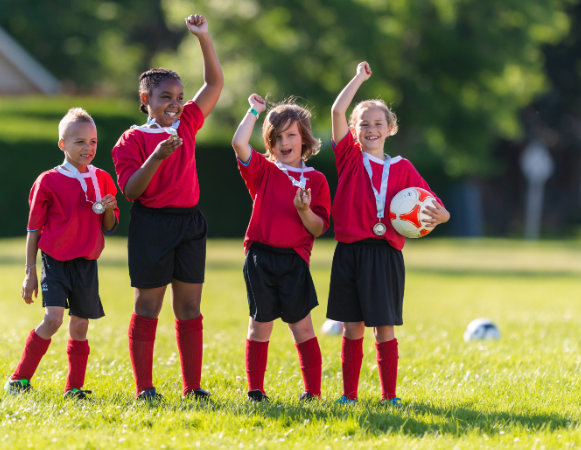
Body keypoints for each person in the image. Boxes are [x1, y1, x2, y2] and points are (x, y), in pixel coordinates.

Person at [111, 14, 223, 400]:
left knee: (190, 307)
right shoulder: (131, 141)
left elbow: (214, 84)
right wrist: (156, 157)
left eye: (179, 97)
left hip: (189, 223)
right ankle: (145, 388)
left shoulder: (188, 122)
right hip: (152, 225)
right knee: (148, 305)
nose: (175, 104)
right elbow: (130, 190)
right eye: (165, 97)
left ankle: (193, 388)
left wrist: (203, 38)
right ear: (145, 100)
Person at [329, 62, 450, 406]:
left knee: (384, 328)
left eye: (378, 124)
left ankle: (389, 396)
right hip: (350, 252)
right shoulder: (349, 159)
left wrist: (443, 216)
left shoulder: (404, 169)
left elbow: (434, 207)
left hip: (385, 255)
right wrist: (359, 78)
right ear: (353, 131)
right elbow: (337, 109)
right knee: (352, 327)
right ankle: (348, 396)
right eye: (363, 124)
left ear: (390, 128)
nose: (371, 129)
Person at [5, 108, 120, 399]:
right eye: (80, 142)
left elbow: (109, 226)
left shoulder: (103, 179)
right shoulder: (48, 181)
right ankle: (19, 379)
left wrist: (107, 209)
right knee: (54, 319)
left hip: (87, 264)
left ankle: (74, 388)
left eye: (93, 142)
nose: (88, 148)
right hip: (55, 262)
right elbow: (34, 231)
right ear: (62, 144)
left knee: (80, 326)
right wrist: (30, 273)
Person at [231, 94, 331, 402]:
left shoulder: (316, 180)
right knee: (259, 327)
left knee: (302, 328)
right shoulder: (263, 170)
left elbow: (318, 228)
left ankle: (312, 393)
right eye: (277, 137)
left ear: (304, 139)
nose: (284, 142)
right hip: (260, 256)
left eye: (291, 135)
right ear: (270, 143)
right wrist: (253, 111)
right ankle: (255, 392)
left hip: (295, 260)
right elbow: (238, 143)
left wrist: (304, 210)